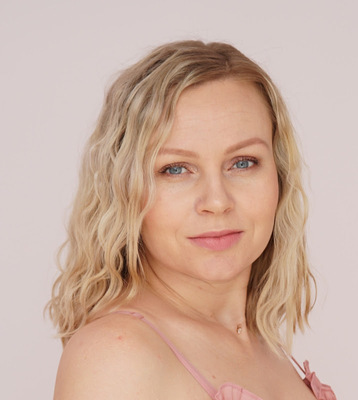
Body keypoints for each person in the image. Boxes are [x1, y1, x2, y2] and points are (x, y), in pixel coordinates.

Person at [48, 40, 337, 400]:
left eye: (243, 163)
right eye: (175, 169)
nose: (217, 201)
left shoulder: (265, 345)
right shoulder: (117, 355)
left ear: (279, 176)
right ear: (122, 189)